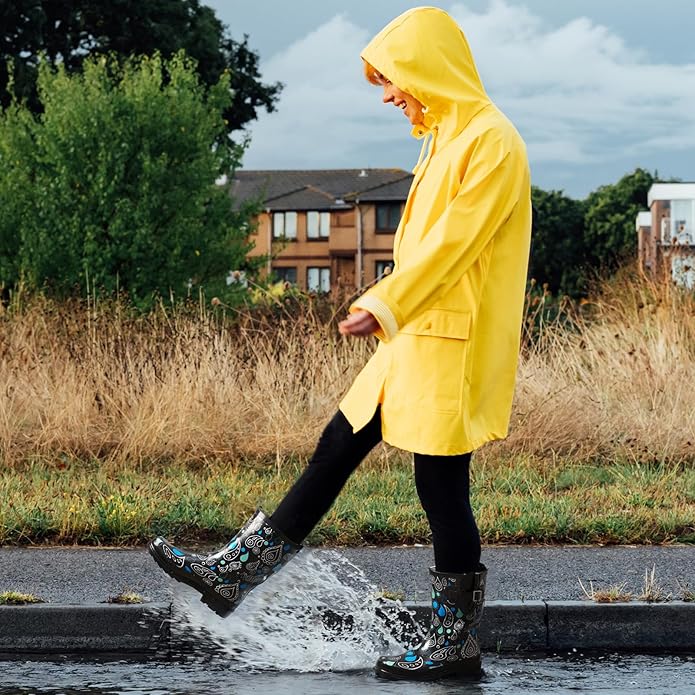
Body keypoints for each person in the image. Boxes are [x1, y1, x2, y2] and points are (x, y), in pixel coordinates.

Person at [149, 6, 531, 682]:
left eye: (392, 80)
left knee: (440, 484)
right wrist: (392, 310)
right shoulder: (445, 137)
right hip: (414, 338)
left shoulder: (491, 141)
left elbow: (453, 245)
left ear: (427, 69)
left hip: (449, 341)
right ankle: (235, 574)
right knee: (338, 441)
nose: (388, 96)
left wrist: (383, 302)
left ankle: (454, 643)